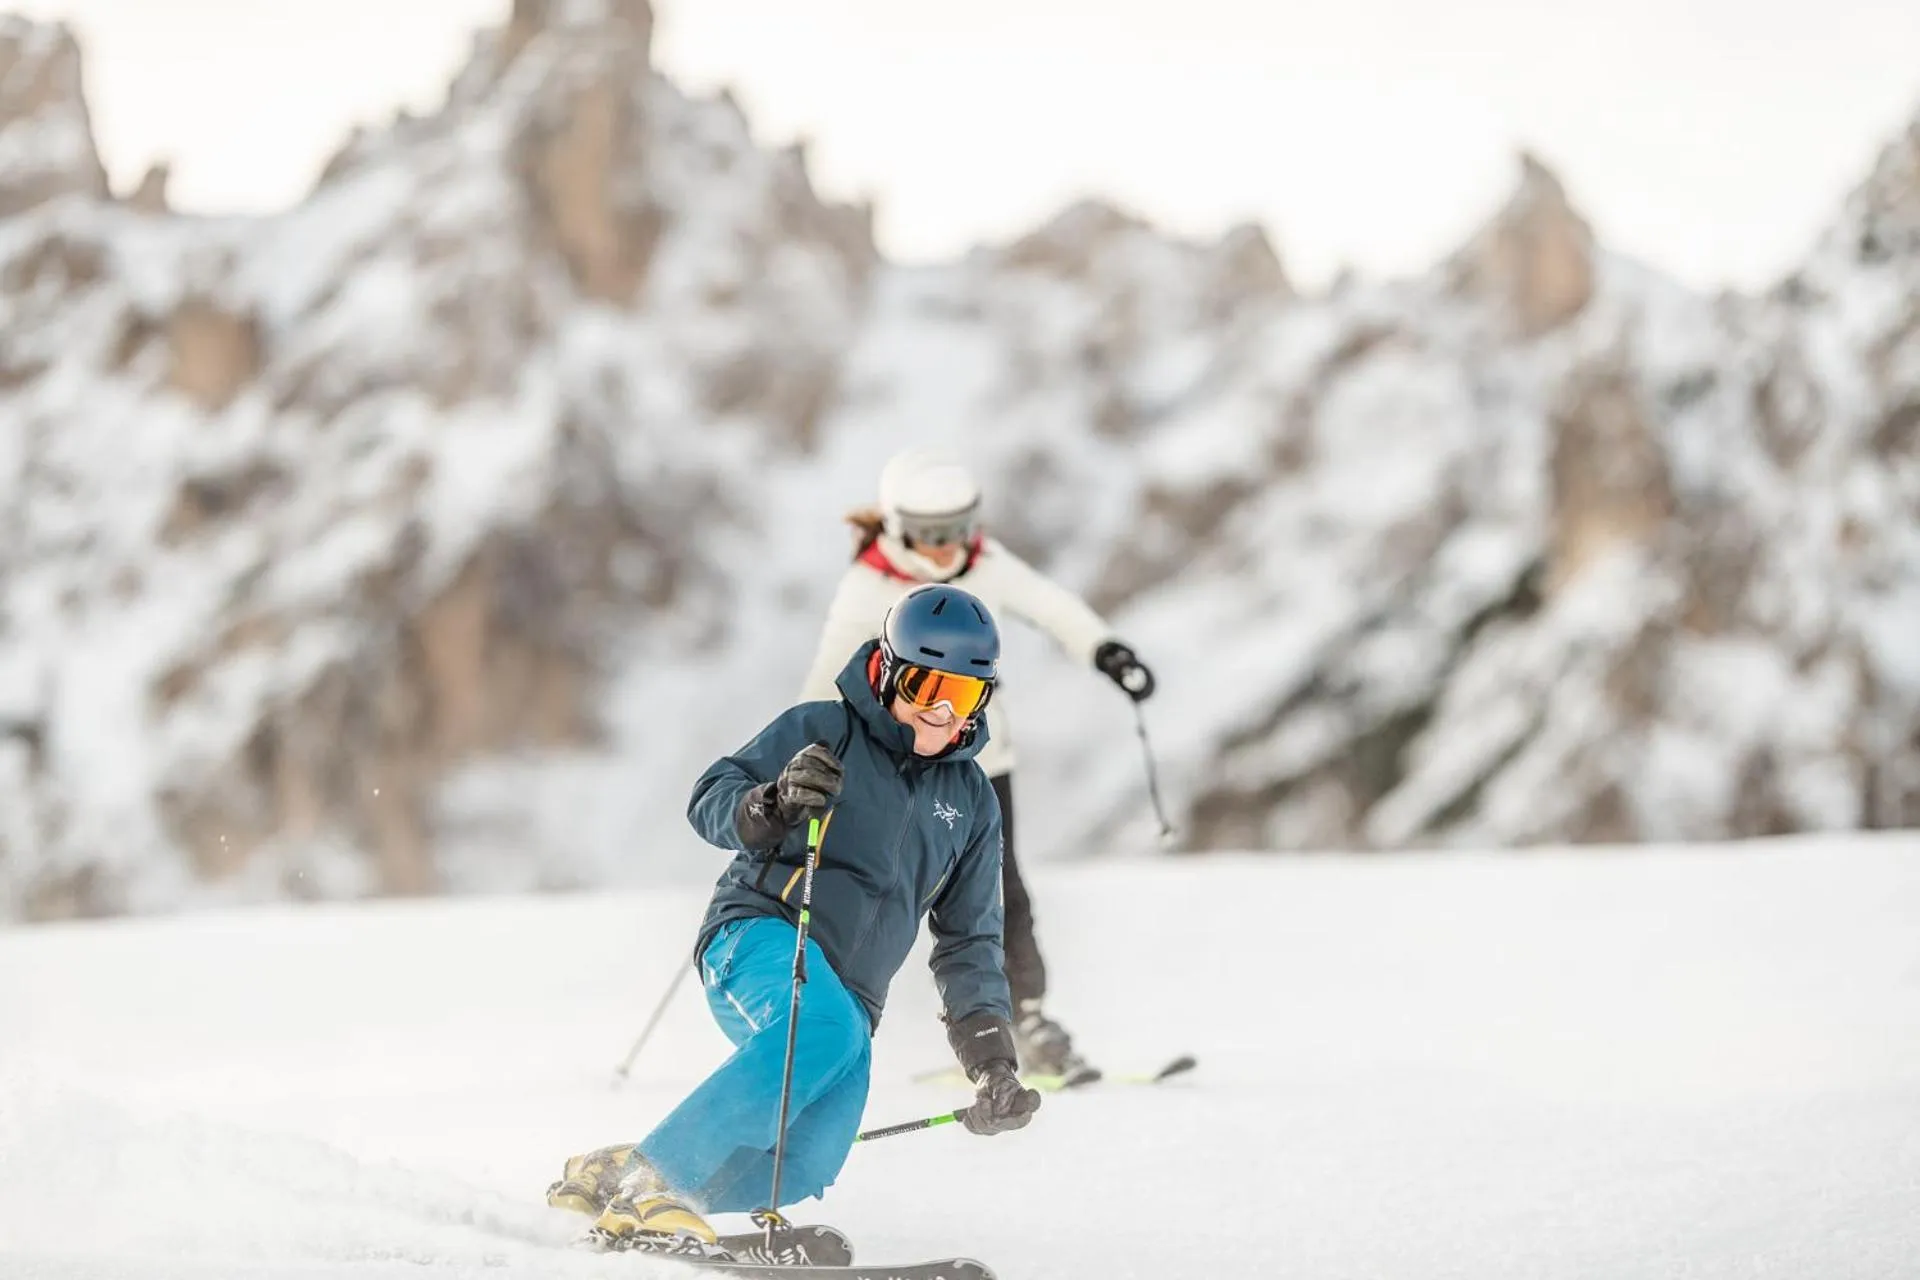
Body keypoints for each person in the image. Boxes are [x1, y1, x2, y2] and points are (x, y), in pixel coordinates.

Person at [546, 583, 1042, 1250]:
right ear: (888, 670)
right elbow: (711, 796)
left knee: (808, 1159)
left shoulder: (973, 802)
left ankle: (624, 1173)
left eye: (965, 695)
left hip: (852, 1003)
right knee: (822, 1027)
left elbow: (970, 939)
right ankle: (655, 1186)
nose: (943, 714)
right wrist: (771, 804)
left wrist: (991, 1063)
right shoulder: (823, 731)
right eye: (928, 689)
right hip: (757, 934)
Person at [798, 449, 1156, 1083]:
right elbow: (827, 676)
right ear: (897, 526)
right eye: (930, 533)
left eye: (959, 528)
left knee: (999, 892)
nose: (947, 547)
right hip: (897, 772)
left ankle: (1029, 1019)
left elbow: (1051, 606)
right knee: (870, 891)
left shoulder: (985, 562)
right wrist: (800, 758)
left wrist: (1106, 651)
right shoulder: (869, 588)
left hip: (983, 766)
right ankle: (820, 1022)